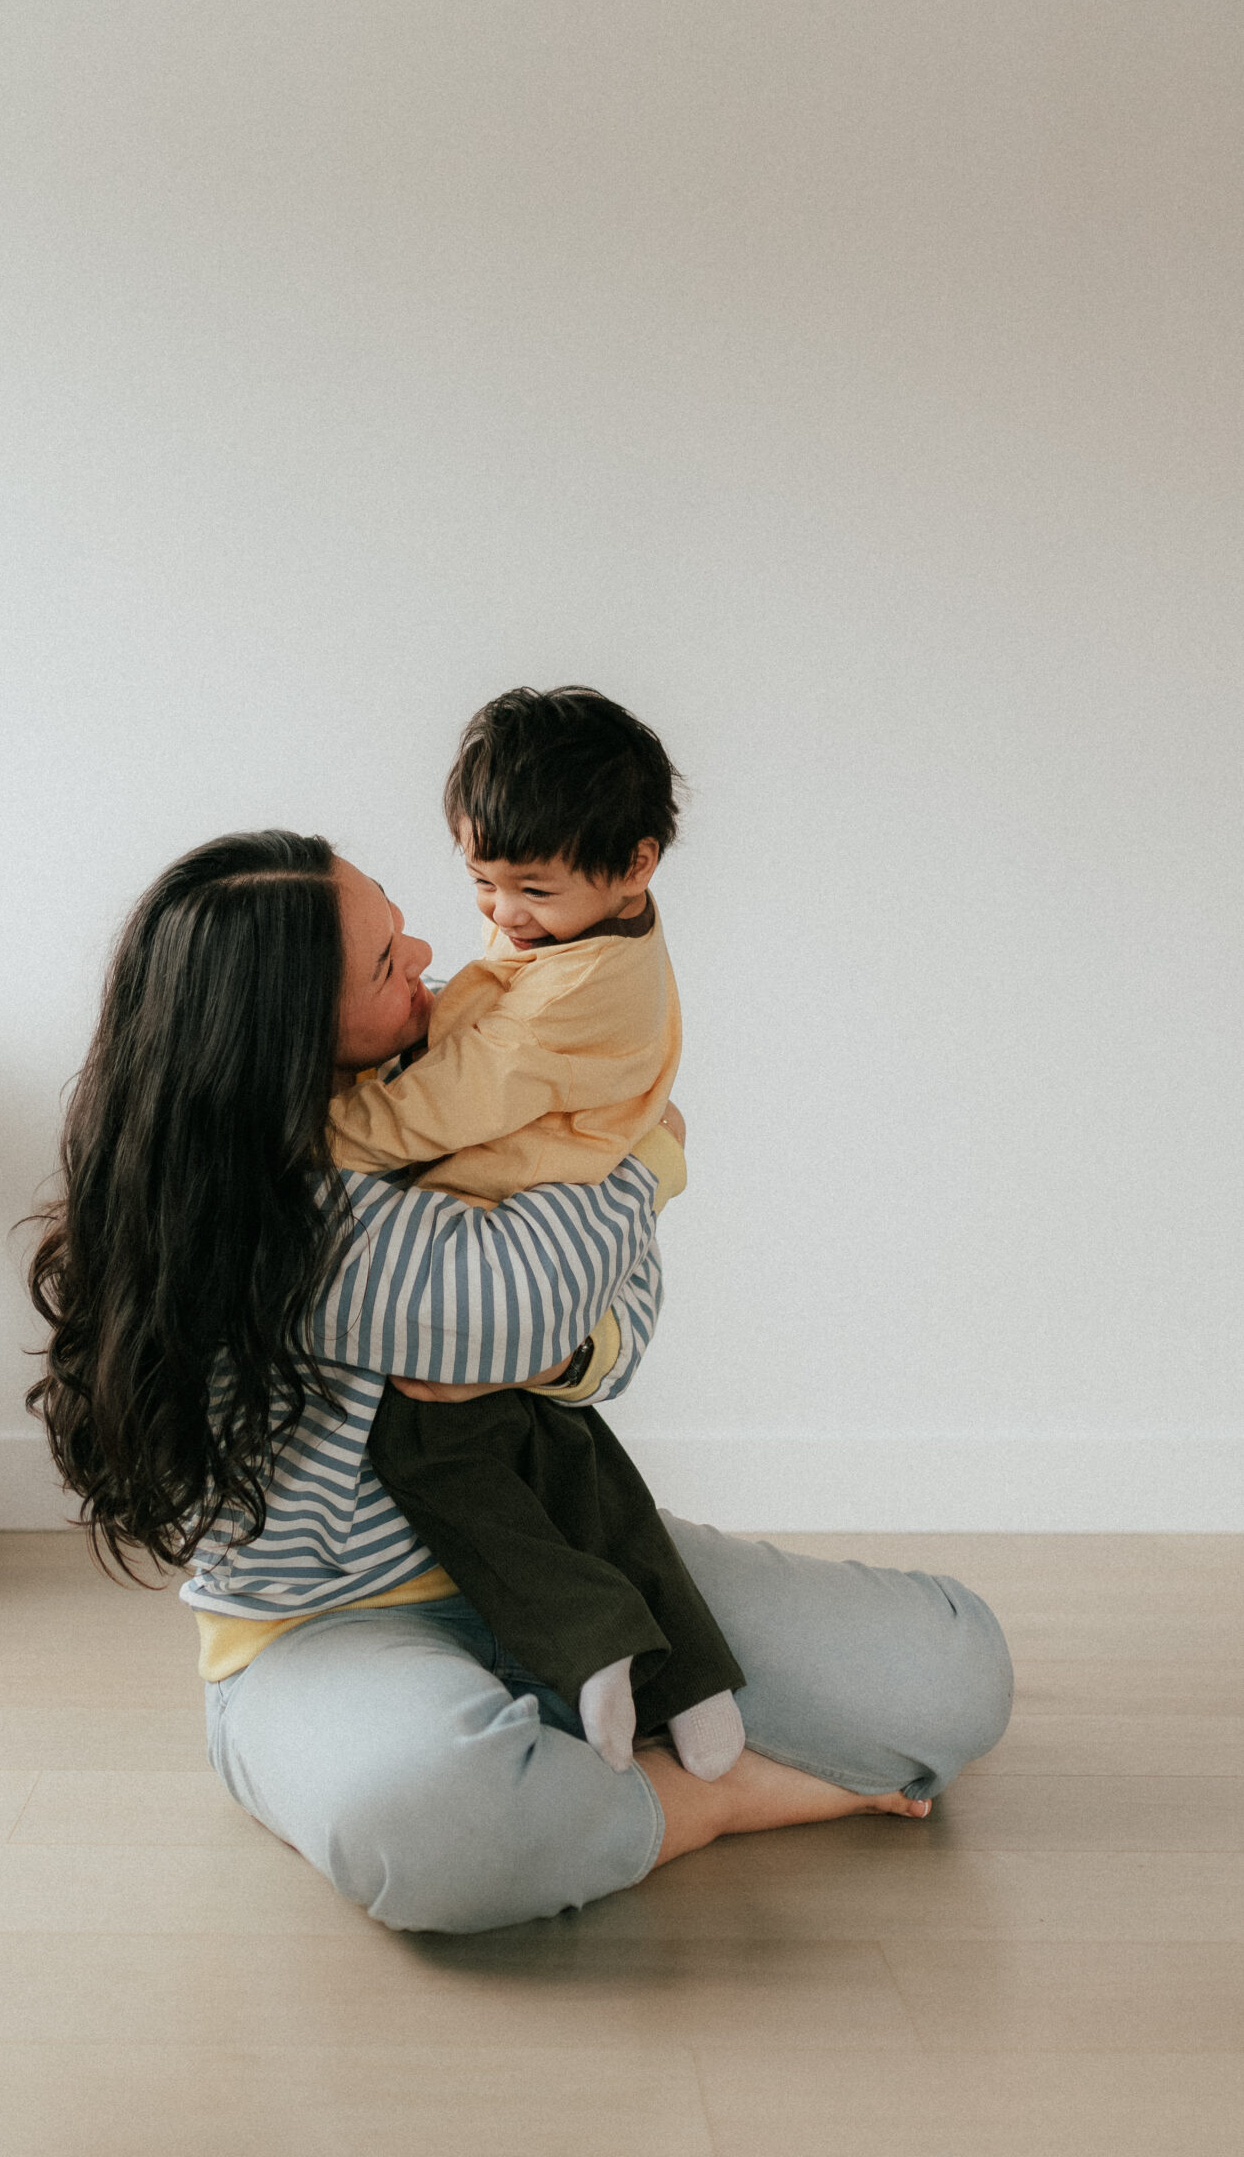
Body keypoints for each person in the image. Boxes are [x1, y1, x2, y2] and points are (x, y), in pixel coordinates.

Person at [28, 829, 1013, 1935]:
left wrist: (559, 1349)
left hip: (565, 1542)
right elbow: (539, 1293)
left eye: (399, 924)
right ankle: (717, 1792)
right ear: (284, 1037)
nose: (429, 954)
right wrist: (643, 1161)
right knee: (434, 1823)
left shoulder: (465, 1053)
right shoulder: (254, 1215)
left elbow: (603, 1322)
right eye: (384, 962)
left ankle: (592, 1756)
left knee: (952, 1676)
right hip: (331, 1627)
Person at [331, 687, 746, 1781]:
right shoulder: (590, 933)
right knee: (579, 1464)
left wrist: (320, 1132)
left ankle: (592, 1644)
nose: (499, 915)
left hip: (506, 1213)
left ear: (636, 864)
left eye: (530, 890)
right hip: (546, 1220)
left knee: (443, 1454)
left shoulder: (580, 993)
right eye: (480, 881)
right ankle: (695, 1678)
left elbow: (445, 1101)